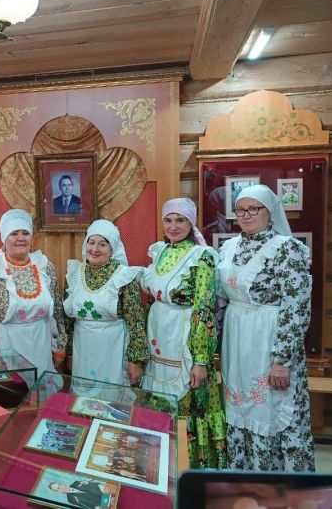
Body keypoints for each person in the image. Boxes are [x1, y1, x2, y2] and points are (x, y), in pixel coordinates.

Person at [219, 184, 314, 471]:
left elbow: (296, 307)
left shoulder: (286, 250)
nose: (246, 215)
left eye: (253, 209)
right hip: (237, 344)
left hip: (269, 341)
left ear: (269, 211)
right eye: (240, 210)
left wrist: (282, 361)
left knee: (271, 409)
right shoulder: (229, 248)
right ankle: (242, 479)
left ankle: (274, 482)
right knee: (239, 406)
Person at [141, 198, 226, 469]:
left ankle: (185, 469)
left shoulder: (202, 256)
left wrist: (200, 360)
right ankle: (158, 468)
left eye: (180, 220)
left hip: (185, 340)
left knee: (186, 402)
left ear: (191, 223)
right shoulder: (160, 252)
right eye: (168, 220)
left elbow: (204, 309)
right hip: (158, 338)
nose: (173, 226)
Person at [0, 209, 66, 379]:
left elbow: (56, 310)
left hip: (41, 344)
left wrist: (60, 345)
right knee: (13, 391)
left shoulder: (44, 266)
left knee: (39, 390)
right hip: (5, 347)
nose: (21, 238)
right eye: (14, 233)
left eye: (25, 233)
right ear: (4, 238)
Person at [63, 219, 147, 394]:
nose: (95, 249)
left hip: (113, 350)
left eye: (102, 244)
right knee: (82, 399)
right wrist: (69, 353)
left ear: (112, 249)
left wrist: (136, 362)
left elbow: (136, 322)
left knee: (111, 399)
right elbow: (68, 321)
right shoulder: (74, 274)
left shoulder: (123, 276)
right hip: (82, 351)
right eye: (91, 242)